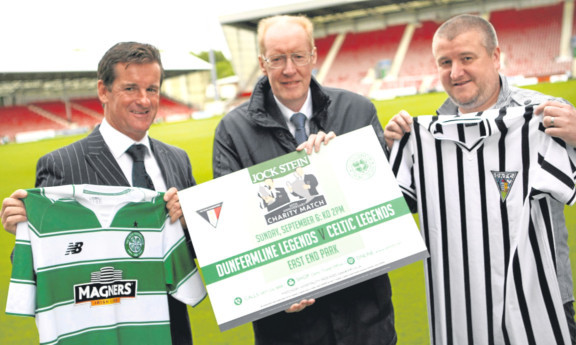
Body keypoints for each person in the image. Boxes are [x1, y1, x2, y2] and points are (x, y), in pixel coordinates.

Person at [384, 14, 576, 344]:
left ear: (496, 56)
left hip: (541, 302)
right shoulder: (424, 133)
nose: (455, 72)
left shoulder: (544, 116)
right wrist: (391, 151)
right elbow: (394, 212)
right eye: (445, 62)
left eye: (466, 58)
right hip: (462, 310)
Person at [212, 14, 397, 345]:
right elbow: (232, 232)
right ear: (261, 62)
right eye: (277, 58)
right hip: (288, 332)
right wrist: (275, 292)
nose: (289, 69)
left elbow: (384, 206)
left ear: (313, 55)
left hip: (365, 321)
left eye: (298, 56)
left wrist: (338, 166)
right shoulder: (232, 131)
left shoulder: (358, 110)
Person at [1, 42, 200, 345]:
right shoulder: (62, 165)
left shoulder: (177, 159)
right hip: (101, 332)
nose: (144, 101)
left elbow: (202, 250)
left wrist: (191, 223)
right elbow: (39, 268)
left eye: (153, 89)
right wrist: (27, 230)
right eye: (131, 88)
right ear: (103, 91)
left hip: (170, 333)